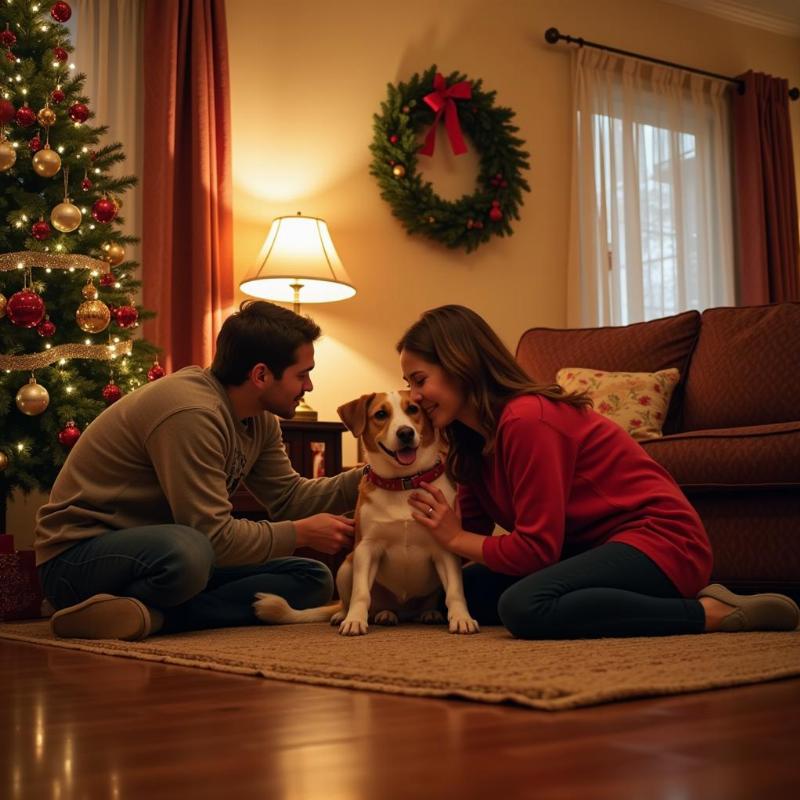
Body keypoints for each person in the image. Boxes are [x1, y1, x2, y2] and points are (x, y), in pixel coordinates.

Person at [396, 304, 799, 639]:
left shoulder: (527, 419)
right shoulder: (468, 440)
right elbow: (473, 534)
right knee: (463, 593)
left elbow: (534, 549)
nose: (412, 396)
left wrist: (453, 535)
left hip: (660, 541)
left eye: (419, 380)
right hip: (585, 551)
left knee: (523, 607)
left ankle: (707, 613)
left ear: (459, 364)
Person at [36, 300, 359, 641]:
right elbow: (214, 537)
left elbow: (289, 498)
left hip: (164, 557)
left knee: (313, 579)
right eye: (302, 374)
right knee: (189, 551)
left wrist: (369, 477)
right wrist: (301, 533)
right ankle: (101, 608)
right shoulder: (191, 412)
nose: (308, 387)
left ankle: (145, 616)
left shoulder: (259, 419)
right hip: (77, 559)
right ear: (261, 375)